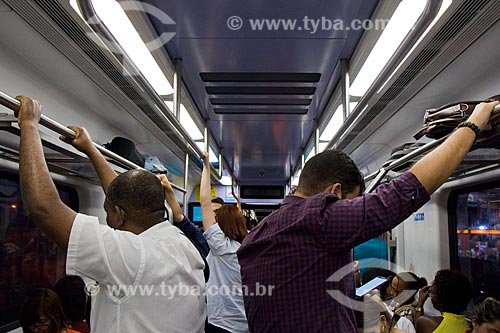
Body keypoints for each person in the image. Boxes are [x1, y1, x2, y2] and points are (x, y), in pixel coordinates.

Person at [237, 100, 500, 332]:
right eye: (352, 202)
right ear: (335, 192)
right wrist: (473, 124)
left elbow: (296, 296)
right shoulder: (318, 218)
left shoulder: (260, 233)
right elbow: (405, 192)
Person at [15, 96, 206, 332]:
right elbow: (123, 195)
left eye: (107, 211)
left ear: (119, 214)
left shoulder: (133, 255)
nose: (106, 218)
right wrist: (90, 150)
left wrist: (29, 125)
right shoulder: (180, 244)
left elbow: (43, 208)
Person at [200, 152, 249, 333]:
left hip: (222, 323)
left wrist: (206, 166)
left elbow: (205, 203)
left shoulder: (221, 247)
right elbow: (237, 223)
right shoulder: (247, 247)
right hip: (246, 322)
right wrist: (238, 206)